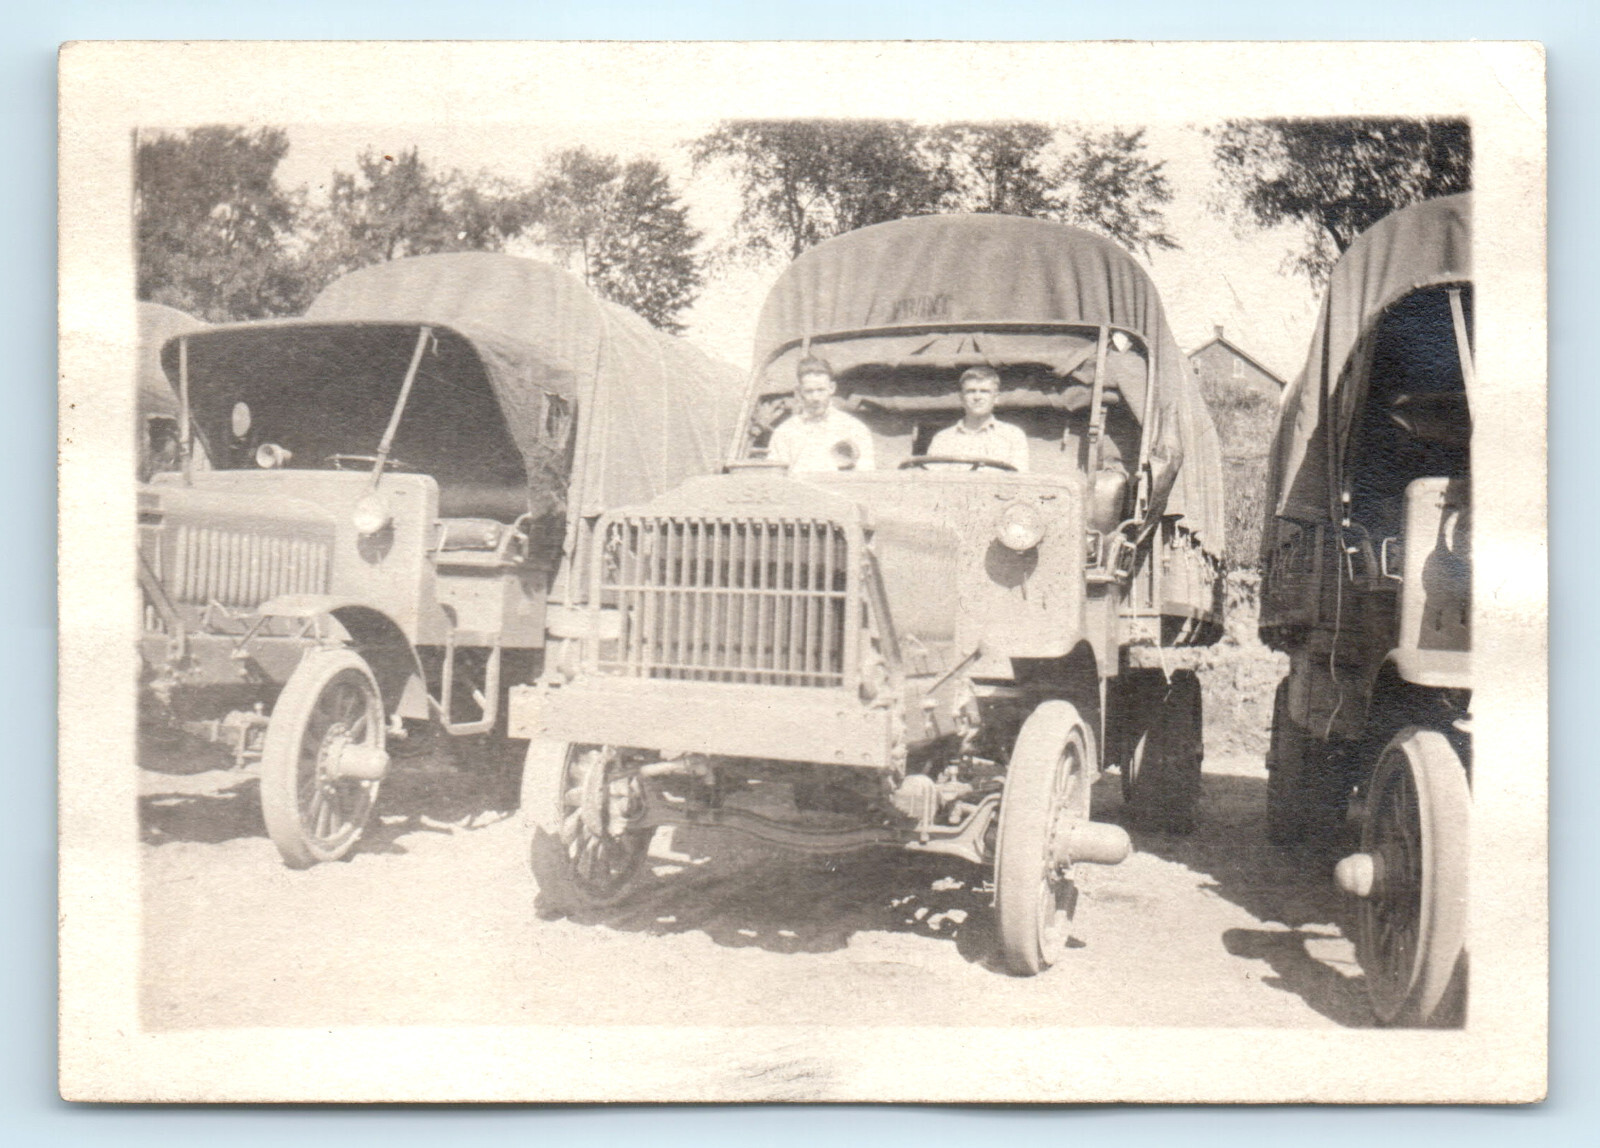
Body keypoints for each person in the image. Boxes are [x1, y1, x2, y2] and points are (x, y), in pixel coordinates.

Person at [766, 356, 876, 472]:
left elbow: (865, 480)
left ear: (832, 388)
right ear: (799, 391)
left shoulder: (855, 429)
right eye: (809, 391)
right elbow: (775, 480)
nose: (816, 398)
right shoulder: (785, 432)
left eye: (821, 390)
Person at [927, 366, 1030, 472]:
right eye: (971, 391)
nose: (977, 397)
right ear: (961, 398)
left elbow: (1019, 482)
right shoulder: (943, 439)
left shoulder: (1013, 436)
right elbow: (933, 481)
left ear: (996, 398)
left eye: (984, 391)